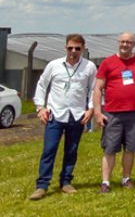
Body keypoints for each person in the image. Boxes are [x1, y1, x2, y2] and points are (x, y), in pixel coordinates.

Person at [30, 34, 97, 200]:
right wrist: (40, 107)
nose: (73, 51)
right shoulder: (54, 65)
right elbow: (41, 85)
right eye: (70, 48)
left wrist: (91, 109)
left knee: (71, 150)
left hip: (77, 115)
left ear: (83, 49)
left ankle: (66, 182)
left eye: (77, 48)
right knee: (49, 150)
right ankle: (42, 186)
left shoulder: (89, 67)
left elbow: (94, 90)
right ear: (65, 47)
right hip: (55, 115)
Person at [92, 31, 135, 193]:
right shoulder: (108, 62)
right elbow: (97, 88)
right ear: (118, 42)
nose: (125, 45)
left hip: (134, 113)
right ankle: (105, 182)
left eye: (129, 42)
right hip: (112, 113)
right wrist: (98, 112)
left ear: (134, 44)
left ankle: (126, 178)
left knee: (130, 148)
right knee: (110, 148)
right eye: (123, 41)